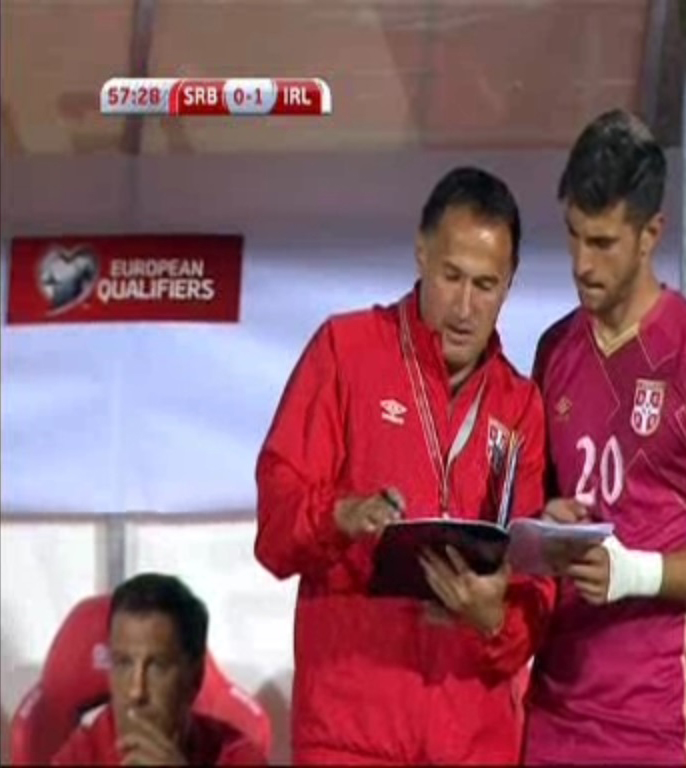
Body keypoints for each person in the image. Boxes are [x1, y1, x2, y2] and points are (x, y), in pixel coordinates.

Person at [255, 167, 555, 765]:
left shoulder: (520, 405)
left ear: (511, 282)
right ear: (421, 252)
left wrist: (492, 617)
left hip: (475, 742)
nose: (464, 307)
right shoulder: (345, 352)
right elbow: (275, 529)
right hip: (351, 735)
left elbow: (533, 591)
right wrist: (340, 516)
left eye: (486, 285)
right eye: (451, 276)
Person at [523, 109, 686, 765]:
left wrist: (633, 572)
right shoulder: (554, 351)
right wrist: (546, 522)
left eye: (603, 242)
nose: (581, 263)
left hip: (656, 733)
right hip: (549, 722)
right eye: (573, 235)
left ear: (652, 234)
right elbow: (536, 514)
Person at [51, 573, 266, 766]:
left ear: (195, 677)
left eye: (157, 667)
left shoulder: (237, 756)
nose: (136, 692)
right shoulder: (80, 755)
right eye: (123, 663)